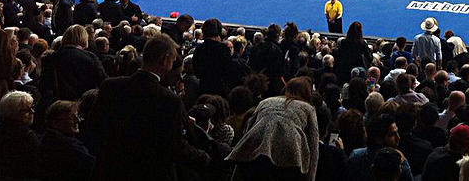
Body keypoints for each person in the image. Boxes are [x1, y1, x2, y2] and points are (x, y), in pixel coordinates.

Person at [92, 34, 211, 181]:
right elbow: (175, 147)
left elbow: (95, 126)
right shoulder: (169, 100)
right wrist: (204, 157)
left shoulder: (109, 86)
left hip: (109, 170)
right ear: (165, 59)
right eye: (173, 60)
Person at [228, 76, 320, 181]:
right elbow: (313, 144)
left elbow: (249, 128)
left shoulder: (266, 101)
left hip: (257, 143)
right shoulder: (308, 108)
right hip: (291, 150)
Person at [40, 99, 95, 181]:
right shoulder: (68, 146)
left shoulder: (46, 138)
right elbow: (93, 165)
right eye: (72, 117)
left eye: (77, 116)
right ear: (55, 122)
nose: (78, 120)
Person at [0, 90, 40, 178]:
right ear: (12, 112)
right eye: (26, 110)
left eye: (32, 107)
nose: (32, 112)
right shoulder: (26, 137)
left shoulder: (0, 128)